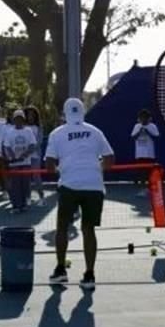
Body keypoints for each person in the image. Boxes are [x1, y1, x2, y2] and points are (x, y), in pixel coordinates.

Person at [45, 97, 115, 290]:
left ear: (64, 114)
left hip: (69, 185)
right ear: (83, 112)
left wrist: (63, 170)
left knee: (62, 228)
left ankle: (60, 270)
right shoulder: (95, 132)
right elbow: (110, 159)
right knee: (88, 230)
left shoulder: (57, 134)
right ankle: (89, 275)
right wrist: (96, 170)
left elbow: (49, 165)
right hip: (94, 186)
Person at [3, 110, 37, 213]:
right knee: (15, 185)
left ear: (23, 119)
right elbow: (7, 146)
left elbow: (32, 145)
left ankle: (24, 204)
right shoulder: (9, 132)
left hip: (26, 163)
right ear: (14, 120)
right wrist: (12, 156)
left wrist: (24, 155)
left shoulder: (28, 131)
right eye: (16, 118)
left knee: (25, 184)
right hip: (14, 163)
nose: (18, 120)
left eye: (20, 118)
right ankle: (16, 206)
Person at [131, 109, 160, 184]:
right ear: (139, 119)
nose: (143, 120)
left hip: (149, 153)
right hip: (140, 153)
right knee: (139, 168)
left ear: (149, 118)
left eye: (145, 118)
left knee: (149, 169)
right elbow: (133, 137)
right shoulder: (137, 126)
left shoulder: (152, 126)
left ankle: (150, 182)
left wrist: (148, 132)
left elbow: (156, 138)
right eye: (142, 118)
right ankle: (140, 182)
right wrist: (139, 132)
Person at [24, 106, 45, 200]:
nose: (30, 117)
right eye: (28, 115)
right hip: (24, 157)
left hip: (35, 155)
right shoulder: (22, 127)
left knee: (36, 176)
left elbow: (39, 142)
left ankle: (41, 195)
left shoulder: (39, 127)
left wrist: (30, 151)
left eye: (32, 115)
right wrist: (24, 153)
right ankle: (27, 196)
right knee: (26, 177)